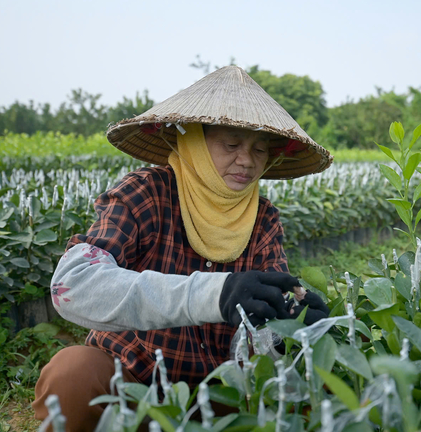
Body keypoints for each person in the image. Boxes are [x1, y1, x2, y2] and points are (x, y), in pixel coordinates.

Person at [32, 66, 333, 429]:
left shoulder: (262, 216)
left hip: (219, 394)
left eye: (259, 149)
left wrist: (290, 326)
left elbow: (260, 325)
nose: (247, 161)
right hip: (137, 384)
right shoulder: (146, 193)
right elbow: (74, 285)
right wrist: (213, 294)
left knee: (309, 397)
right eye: (231, 144)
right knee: (73, 374)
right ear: (193, 142)